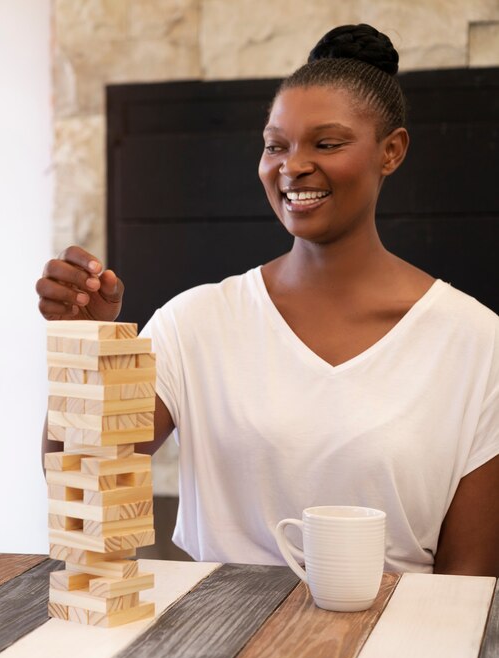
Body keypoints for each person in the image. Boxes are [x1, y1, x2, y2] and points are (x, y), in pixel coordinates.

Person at [37, 25, 499, 578]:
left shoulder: (475, 342)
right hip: (215, 646)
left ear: (391, 151)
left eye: (326, 143)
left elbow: (470, 583)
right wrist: (88, 346)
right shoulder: (195, 323)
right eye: (276, 145)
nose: (293, 165)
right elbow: (85, 482)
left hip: (395, 650)